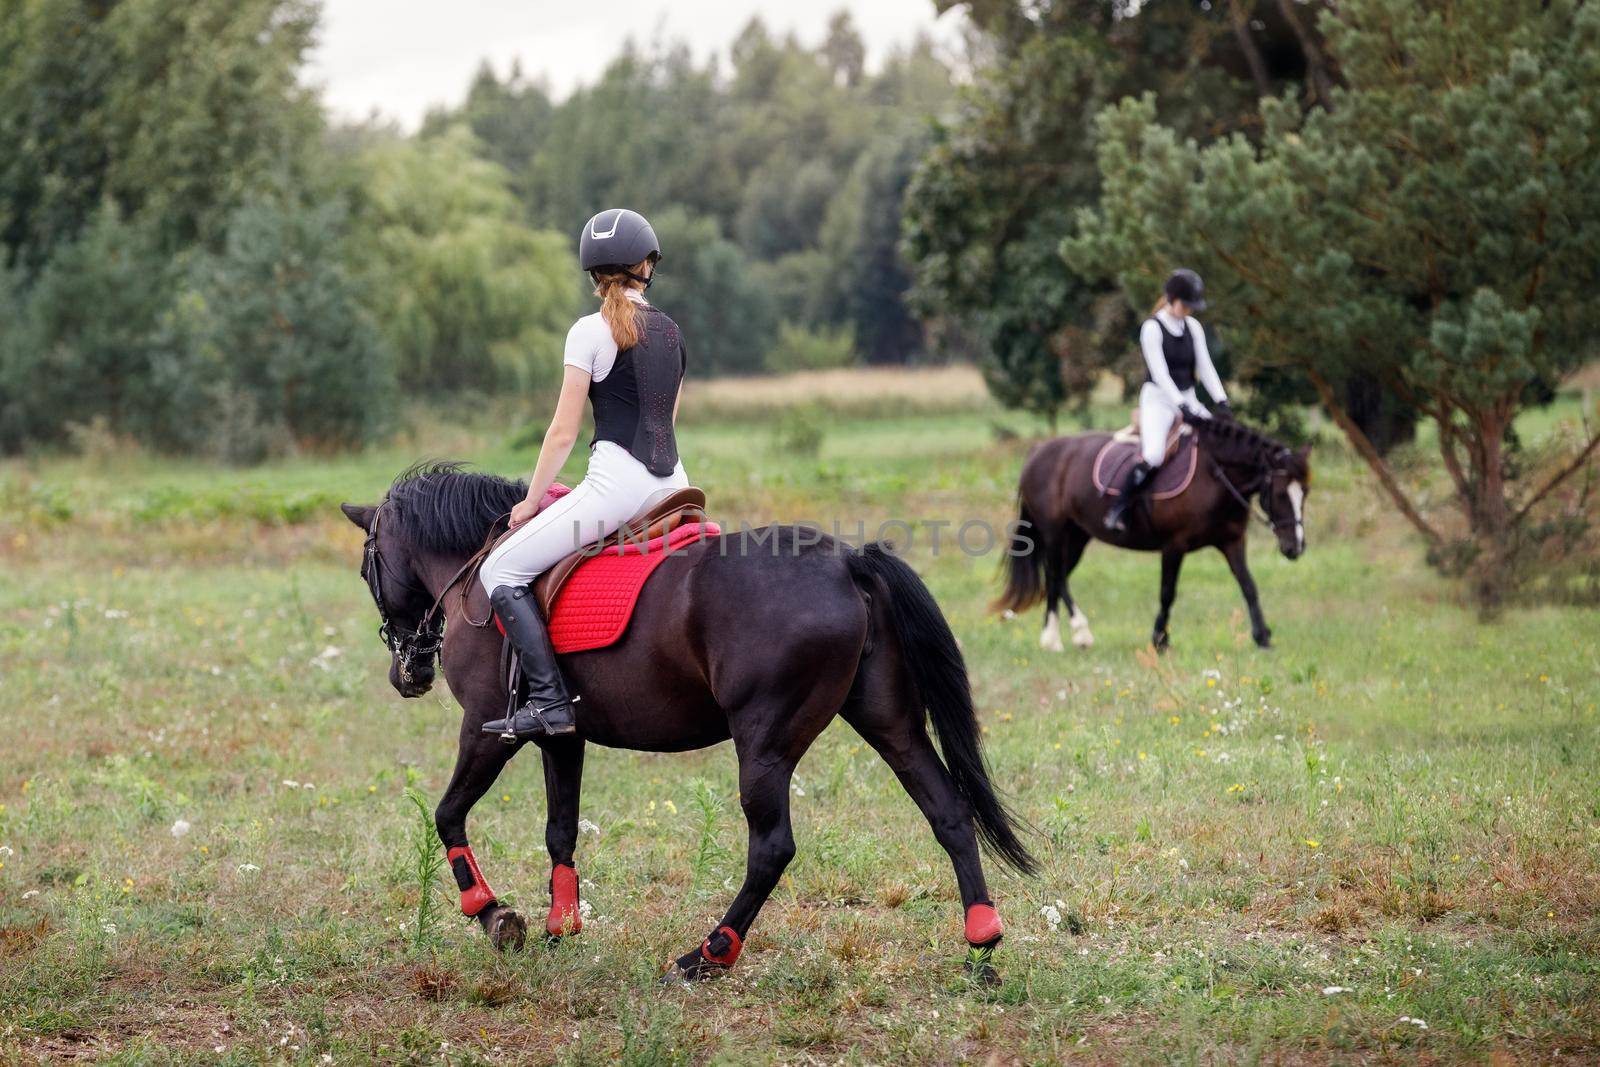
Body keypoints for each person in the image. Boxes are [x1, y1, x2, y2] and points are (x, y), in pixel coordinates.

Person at [478, 208, 690, 740]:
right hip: (676, 487)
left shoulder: (588, 331)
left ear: (593, 273)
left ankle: (550, 702)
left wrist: (529, 503)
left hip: (616, 487)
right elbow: (668, 420)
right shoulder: (671, 332)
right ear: (647, 264)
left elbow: (562, 432)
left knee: (499, 571)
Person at [1104, 268, 1232, 533]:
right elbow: (1160, 374)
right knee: (1154, 454)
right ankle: (1119, 507)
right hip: (1158, 400)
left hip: (1188, 397)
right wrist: (1182, 406)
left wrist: (1222, 401)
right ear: (1171, 299)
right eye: (1186, 304)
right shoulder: (1152, 328)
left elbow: (1205, 367)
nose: (1189, 311)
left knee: (1221, 440)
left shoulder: (1193, 327)